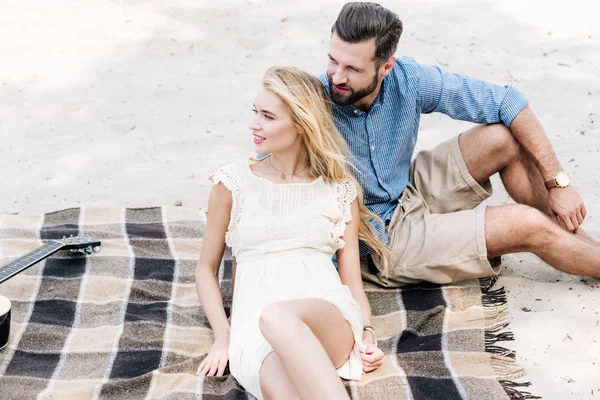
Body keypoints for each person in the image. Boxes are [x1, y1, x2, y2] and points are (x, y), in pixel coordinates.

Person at [320, 2, 600, 287]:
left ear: (386, 66)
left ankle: (584, 244)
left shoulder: (408, 78)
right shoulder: (311, 103)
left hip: (405, 191)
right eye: (333, 60)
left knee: (502, 138)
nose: (338, 76)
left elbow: (507, 102)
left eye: (353, 68)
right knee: (528, 224)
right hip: (379, 240)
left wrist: (557, 183)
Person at [194, 66, 386, 399]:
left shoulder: (340, 190)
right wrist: (224, 336)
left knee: (278, 315)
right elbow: (205, 270)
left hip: (326, 318)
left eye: (268, 116)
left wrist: (367, 335)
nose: (254, 124)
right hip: (253, 332)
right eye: (255, 112)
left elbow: (351, 282)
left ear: (301, 124)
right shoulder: (233, 183)